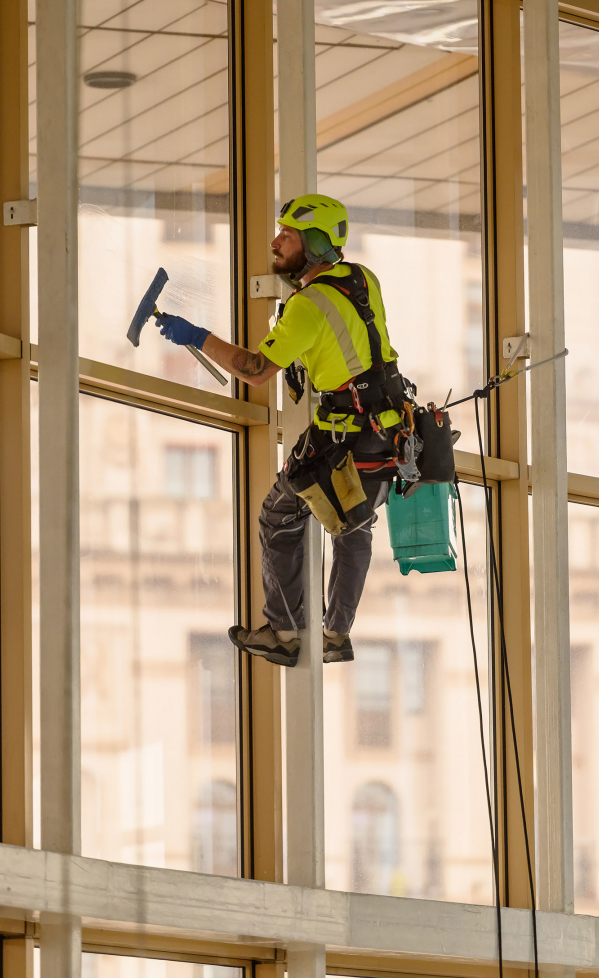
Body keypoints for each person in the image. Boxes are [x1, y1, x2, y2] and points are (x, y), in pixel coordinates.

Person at [156, 194, 414, 668]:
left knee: (279, 517)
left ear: (314, 244)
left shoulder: (309, 306)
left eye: (287, 236)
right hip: (389, 433)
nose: (275, 243)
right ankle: (336, 633)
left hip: (343, 440)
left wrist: (196, 335)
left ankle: (284, 632)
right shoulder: (362, 280)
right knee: (353, 526)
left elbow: (254, 368)